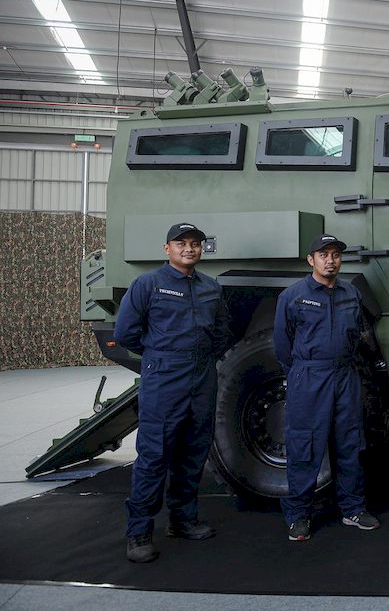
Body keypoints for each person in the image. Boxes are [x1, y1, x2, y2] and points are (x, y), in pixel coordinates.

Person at [114, 222, 230, 563]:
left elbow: (222, 332)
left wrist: (202, 358)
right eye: (181, 244)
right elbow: (125, 334)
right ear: (167, 249)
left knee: (193, 452)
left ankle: (182, 520)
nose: (189, 249)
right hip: (165, 376)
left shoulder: (211, 287)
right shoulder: (148, 284)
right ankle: (139, 533)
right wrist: (158, 355)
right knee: (154, 456)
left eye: (195, 244)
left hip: (202, 375)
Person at [273, 233, 380, 541]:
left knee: (350, 444)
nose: (330, 260)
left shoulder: (351, 293)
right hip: (309, 377)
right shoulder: (293, 296)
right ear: (311, 260)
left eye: (335, 255)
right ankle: (299, 515)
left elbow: (358, 334)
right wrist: (301, 375)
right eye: (323, 255)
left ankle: (353, 509)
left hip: (345, 376)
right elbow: (283, 345)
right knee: (305, 446)